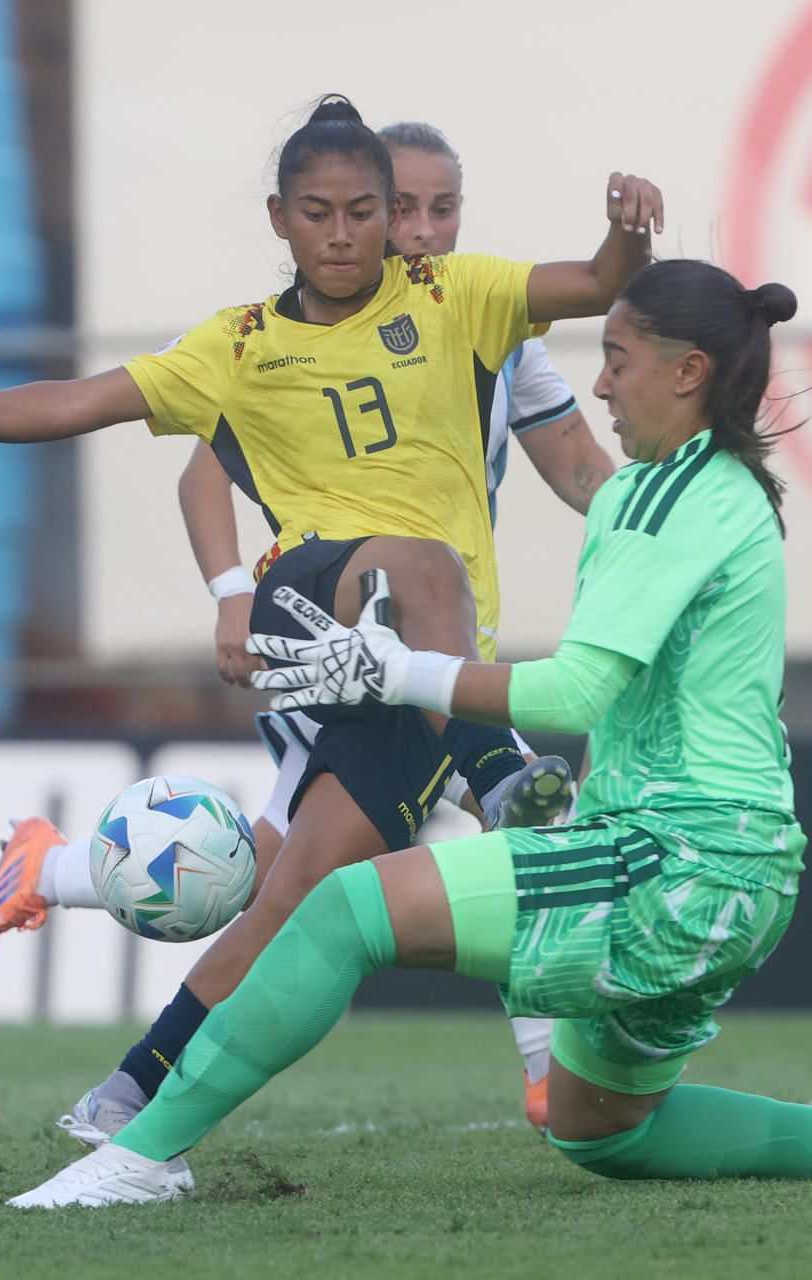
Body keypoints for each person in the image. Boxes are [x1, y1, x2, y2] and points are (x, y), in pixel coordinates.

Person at [4, 259, 812, 1208]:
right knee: (602, 1128)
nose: (598, 384)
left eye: (616, 358)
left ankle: (137, 1153)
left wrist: (396, 668)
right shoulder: (707, 490)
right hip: (739, 862)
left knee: (342, 910)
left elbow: (576, 693)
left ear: (688, 370)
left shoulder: (665, 497)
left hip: (678, 856)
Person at [0, 96, 663, 1146]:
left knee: (290, 900)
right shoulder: (238, 346)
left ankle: (125, 1095)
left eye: (367, 211)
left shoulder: (461, 296)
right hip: (309, 611)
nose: (345, 233)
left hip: (412, 669)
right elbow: (75, 400)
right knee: (425, 574)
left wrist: (629, 229)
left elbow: (601, 284)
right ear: (279, 218)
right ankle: (501, 791)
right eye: (319, 212)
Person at [174, 119, 617, 1130]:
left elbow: (584, 471)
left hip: (446, 647)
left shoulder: (493, 329)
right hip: (344, 637)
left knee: (280, 878)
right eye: (400, 207)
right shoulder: (283, 338)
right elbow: (202, 465)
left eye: (439, 207)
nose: (419, 229)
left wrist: (660, 534)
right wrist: (231, 589)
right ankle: (547, 1058)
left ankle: (69, 903)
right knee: (283, 881)